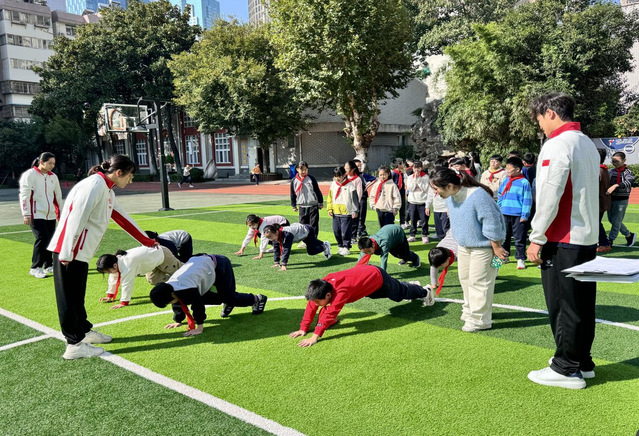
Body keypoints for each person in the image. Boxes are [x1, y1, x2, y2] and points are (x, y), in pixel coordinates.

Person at [48, 155, 157, 360]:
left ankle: (83, 331)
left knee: (77, 297)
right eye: (130, 176)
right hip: (69, 251)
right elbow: (76, 217)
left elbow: (122, 217)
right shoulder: (95, 185)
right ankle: (73, 344)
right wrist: (67, 251)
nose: (130, 180)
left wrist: (147, 240)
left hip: (79, 252)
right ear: (119, 173)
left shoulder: (107, 189)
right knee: (68, 299)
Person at [526, 92, 599, 390]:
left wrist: (536, 237)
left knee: (562, 304)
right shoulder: (587, 143)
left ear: (550, 113)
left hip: (563, 238)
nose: (540, 126)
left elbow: (549, 193)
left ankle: (566, 368)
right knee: (583, 304)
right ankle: (581, 361)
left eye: (539, 119)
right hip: (586, 238)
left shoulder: (557, 144)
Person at [430, 168, 507, 333]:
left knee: (480, 282)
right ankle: (470, 309)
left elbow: (493, 222)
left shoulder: (478, 196)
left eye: (436, 189)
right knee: (465, 279)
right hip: (464, 246)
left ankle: (480, 319)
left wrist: (496, 247)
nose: (435, 193)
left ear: (449, 186)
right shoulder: (450, 197)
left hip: (484, 247)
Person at [288, 264, 434, 347]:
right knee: (390, 292)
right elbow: (312, 306)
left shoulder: (340, 292)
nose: (316, 304)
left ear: (328, 295)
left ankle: (425, 292)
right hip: (366, 283)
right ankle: (409, 287)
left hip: (376, 276)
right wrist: (303, 328)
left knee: (398, 294)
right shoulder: (322, 287)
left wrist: (315, 336)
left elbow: (331, 312)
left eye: (318, 302)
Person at [149, 254, 268, 337]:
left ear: (172, 294)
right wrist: (178, 321)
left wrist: (199, 328)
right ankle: (228, 302)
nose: (171, 303)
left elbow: (198, 305)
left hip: (219, 264)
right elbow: (178, 303)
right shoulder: (170, 288)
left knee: (229, 297)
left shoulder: (185, 288)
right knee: (212, 297)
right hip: (203, 264)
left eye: (169, 301)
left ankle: (257, 299)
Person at [19, 152, 62, 279]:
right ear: (41, 162)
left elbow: (57, 196)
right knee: (42, 239)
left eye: (53, 163)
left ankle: (48, 265)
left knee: (50, 239)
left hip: (50, 214)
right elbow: (25, 195)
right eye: (49, 163)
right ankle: (35, 267)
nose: (52, 166)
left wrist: (60, 214)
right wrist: (26, 214)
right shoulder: (30, 175)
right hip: (36, 213)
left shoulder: (53, 176)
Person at [96, 246, 182, 308]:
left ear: (114, 265)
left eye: (108, 271)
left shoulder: (127, 264)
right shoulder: (116, 261)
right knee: (153, 279)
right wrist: (109, 295)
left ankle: (183, 286)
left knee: (181, 273)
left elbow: (127, 284)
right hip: (151, 262)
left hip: (162, 255)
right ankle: (174, 286)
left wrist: (124, 302)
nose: (108, 273)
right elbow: (113, 277)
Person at [497, 156, 533, 270]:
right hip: (504, 213)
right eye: (506, 169)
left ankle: (520, 258)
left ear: (517, 169)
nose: (507, 171)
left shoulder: (524, 182)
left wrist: (525, 214)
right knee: (504, 237)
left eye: (509, 169)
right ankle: (503, 257)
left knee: (519, 238)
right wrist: (499, 207)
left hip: (518, 215)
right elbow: (500, 194)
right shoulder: (506, 180)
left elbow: (527, 199)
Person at [262, 223, 331, 270]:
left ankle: (325, 246)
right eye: (268, 238)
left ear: (276, 232)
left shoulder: (287, 235)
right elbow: (276, 249)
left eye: (271, 237)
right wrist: (277, 262)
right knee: (312, 242)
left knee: (311, 251)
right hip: (300, 233)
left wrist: (284, 264)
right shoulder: (275, 237)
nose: (270, 239)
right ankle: (324, 244)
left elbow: (286, 249)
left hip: (307, 231)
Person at [327, 166, 359, 256]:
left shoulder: (350, 185)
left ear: (344, 175)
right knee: (336, 230)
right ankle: (340, 246)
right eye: (335, 176)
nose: (337, 178)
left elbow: (355, 199)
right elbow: (330, 198)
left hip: (347, 212)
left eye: (339, 176)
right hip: (336, 212)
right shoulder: (333, 184)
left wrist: (355, 210)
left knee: (345, 231)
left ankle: (346, 247)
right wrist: (330, 208)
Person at [606, 151, 636, 248]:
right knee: (611, 220)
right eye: (613, 161)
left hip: (621, 200)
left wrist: (616, 185)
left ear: (624, 160)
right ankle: (629, 235)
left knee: (616, 221)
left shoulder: (627, 172)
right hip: (611, 199)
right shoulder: (611, 171)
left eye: (617, 161)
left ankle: (610, 240)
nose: (614, 163)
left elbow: (630, 182)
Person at [290, 161, 323, 238]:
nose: (304, 171)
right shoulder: (294, 181)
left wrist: (320, 202)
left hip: (313, 205)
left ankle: (313, 240)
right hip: (302, 205)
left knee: (313, 224)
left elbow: (317, 190)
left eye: (306, 169)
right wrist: (293, 205)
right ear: (297, 169)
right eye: (302, 169)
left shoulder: (311, 179)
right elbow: (292, 193)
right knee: (302, 224)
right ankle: (304, 240)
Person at [405, 160, 430, 244]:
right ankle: (412, 235)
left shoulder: (426, 177)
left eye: (418, 168)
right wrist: (415, 179)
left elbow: (425, 189)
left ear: (421, 168)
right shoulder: (410, 177)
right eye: (415, 168)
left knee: (424, 220)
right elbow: (411, 188)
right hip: (413, 201)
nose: (416, 170)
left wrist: (419, 181)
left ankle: (424, 235)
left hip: (423, 201)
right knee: (413, 219)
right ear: (412, 168)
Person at [428, 231, 459, 296]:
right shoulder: (436, 253)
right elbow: (433, 268)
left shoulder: (459, 253)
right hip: (451, 232)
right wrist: (434, 284)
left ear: (448, 258)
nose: (439, 267)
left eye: (441, 265)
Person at [427, 159, 451, 240]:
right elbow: (430, 194)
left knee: (446, 229)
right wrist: (427, 206)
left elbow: (451, 195)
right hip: (436, 208)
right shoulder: (433, 180)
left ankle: (448, 244)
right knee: (439, 231)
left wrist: (449, 208)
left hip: (445, 208)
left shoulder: (448, 180)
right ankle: (441, 243)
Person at [353, 158, 376, 238]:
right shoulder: (351, 176)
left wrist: (367, 186)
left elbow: (374, 179)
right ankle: (357, 231)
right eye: (357, 166)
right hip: (353, 199)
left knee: (361, 215)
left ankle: (360, 231)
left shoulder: (363, 175)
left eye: (360, 166)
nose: (359, 167)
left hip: (362, 198)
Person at [596, 149, 612, 253]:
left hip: (598, 201)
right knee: (596, 222)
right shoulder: (604, 169)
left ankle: (604, 243)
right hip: (602, 201)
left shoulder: (598, 170)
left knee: (596, 223)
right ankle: (603, 243)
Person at [345, 160, 364, 244]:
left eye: (347, 168)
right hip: (345, 203)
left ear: (352, 169)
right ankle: (346, 236)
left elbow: (359, 193)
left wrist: (355, 204)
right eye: (345, 168)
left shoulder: (357, 179)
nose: (345, 169)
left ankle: (353, 237)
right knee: (346, 221)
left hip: (354, 204)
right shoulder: (344, 178)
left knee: (354, 221)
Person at [391, 159, 407, 228]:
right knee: (394, 207)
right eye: (402, 163)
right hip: (395, 192)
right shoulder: (393, 173)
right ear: (398, 165)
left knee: (403, 207)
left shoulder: (402, 173)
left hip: (402, 192)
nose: (404, 165)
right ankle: (392, 221)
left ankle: (402, 222)